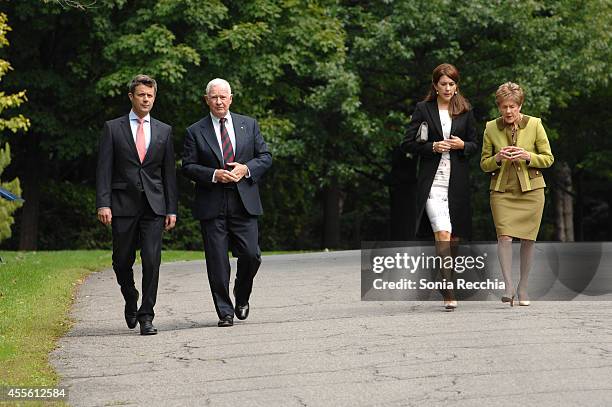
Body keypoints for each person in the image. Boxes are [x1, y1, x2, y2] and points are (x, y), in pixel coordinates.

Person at [182, 78, 272, 327]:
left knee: (252, 255)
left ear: (231, 98)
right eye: (214, 97)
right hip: (212, 204)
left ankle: (241, 296)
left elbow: (265, 157)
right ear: (206, 100)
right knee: (217, 262)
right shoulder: (194, 131)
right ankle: (225, 312)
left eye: (223, 97)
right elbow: (187, 166)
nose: (219, 101)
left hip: (244, 202)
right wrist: (213, 175)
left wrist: (246, 168)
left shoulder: (248, 125)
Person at [96, 74, 178, 335]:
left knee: (152, 260)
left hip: (154, 206)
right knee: (121, 260)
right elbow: (104, 169)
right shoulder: (113, 128)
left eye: (150, 95)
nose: (146, 99)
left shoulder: (164, 130)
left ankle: (147, 315)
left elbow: (169, 174)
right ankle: (130, 296)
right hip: (121, 205)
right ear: (131, 96)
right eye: (141, 94)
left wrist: (171, 208)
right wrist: (103, 203)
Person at [401, 63, 478, 310]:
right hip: (432, 182)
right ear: (435, 86)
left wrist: (461, 146)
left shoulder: (465, 110)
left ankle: (446, 279)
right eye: (443, 83)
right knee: (442, 233)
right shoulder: (423, 109)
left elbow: (475, 144)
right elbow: (407, 143)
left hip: (456, 182)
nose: (447, 88)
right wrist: (432, 147)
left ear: (457, 86)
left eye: (452, 84)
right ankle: (449, 291)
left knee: (453, 237)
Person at [480, 82, 554, 307]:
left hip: (532, 190)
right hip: (502, 191)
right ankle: (508, 286)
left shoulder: (535, 124)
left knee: (528, 240)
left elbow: (548, 158)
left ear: (520, 105)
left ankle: (523, 288)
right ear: (499, 107)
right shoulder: (491, 127)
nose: (508, 111)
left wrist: (527, 155)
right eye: (504, 107)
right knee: (504, 237)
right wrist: (498, 159)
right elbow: (484, 164)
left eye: (512, 106)